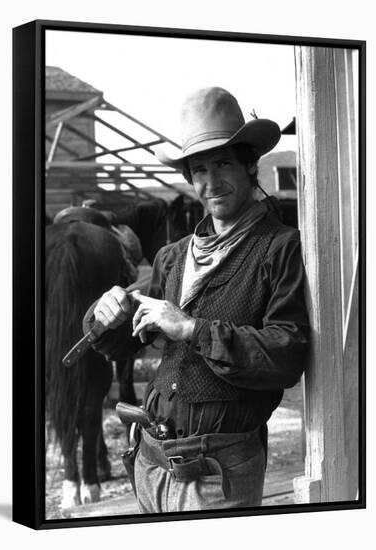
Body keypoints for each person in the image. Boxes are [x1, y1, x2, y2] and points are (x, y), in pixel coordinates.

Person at [90, 87, 310, 513]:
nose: (211, 182)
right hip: (149, 463)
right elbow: (125, 341)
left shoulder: (280, 248)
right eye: (200, 169)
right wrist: (106, 314)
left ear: (251, 166)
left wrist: (192, 328)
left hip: (218, 474)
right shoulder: (173, 257)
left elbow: (287, 355)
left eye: (223, 163)